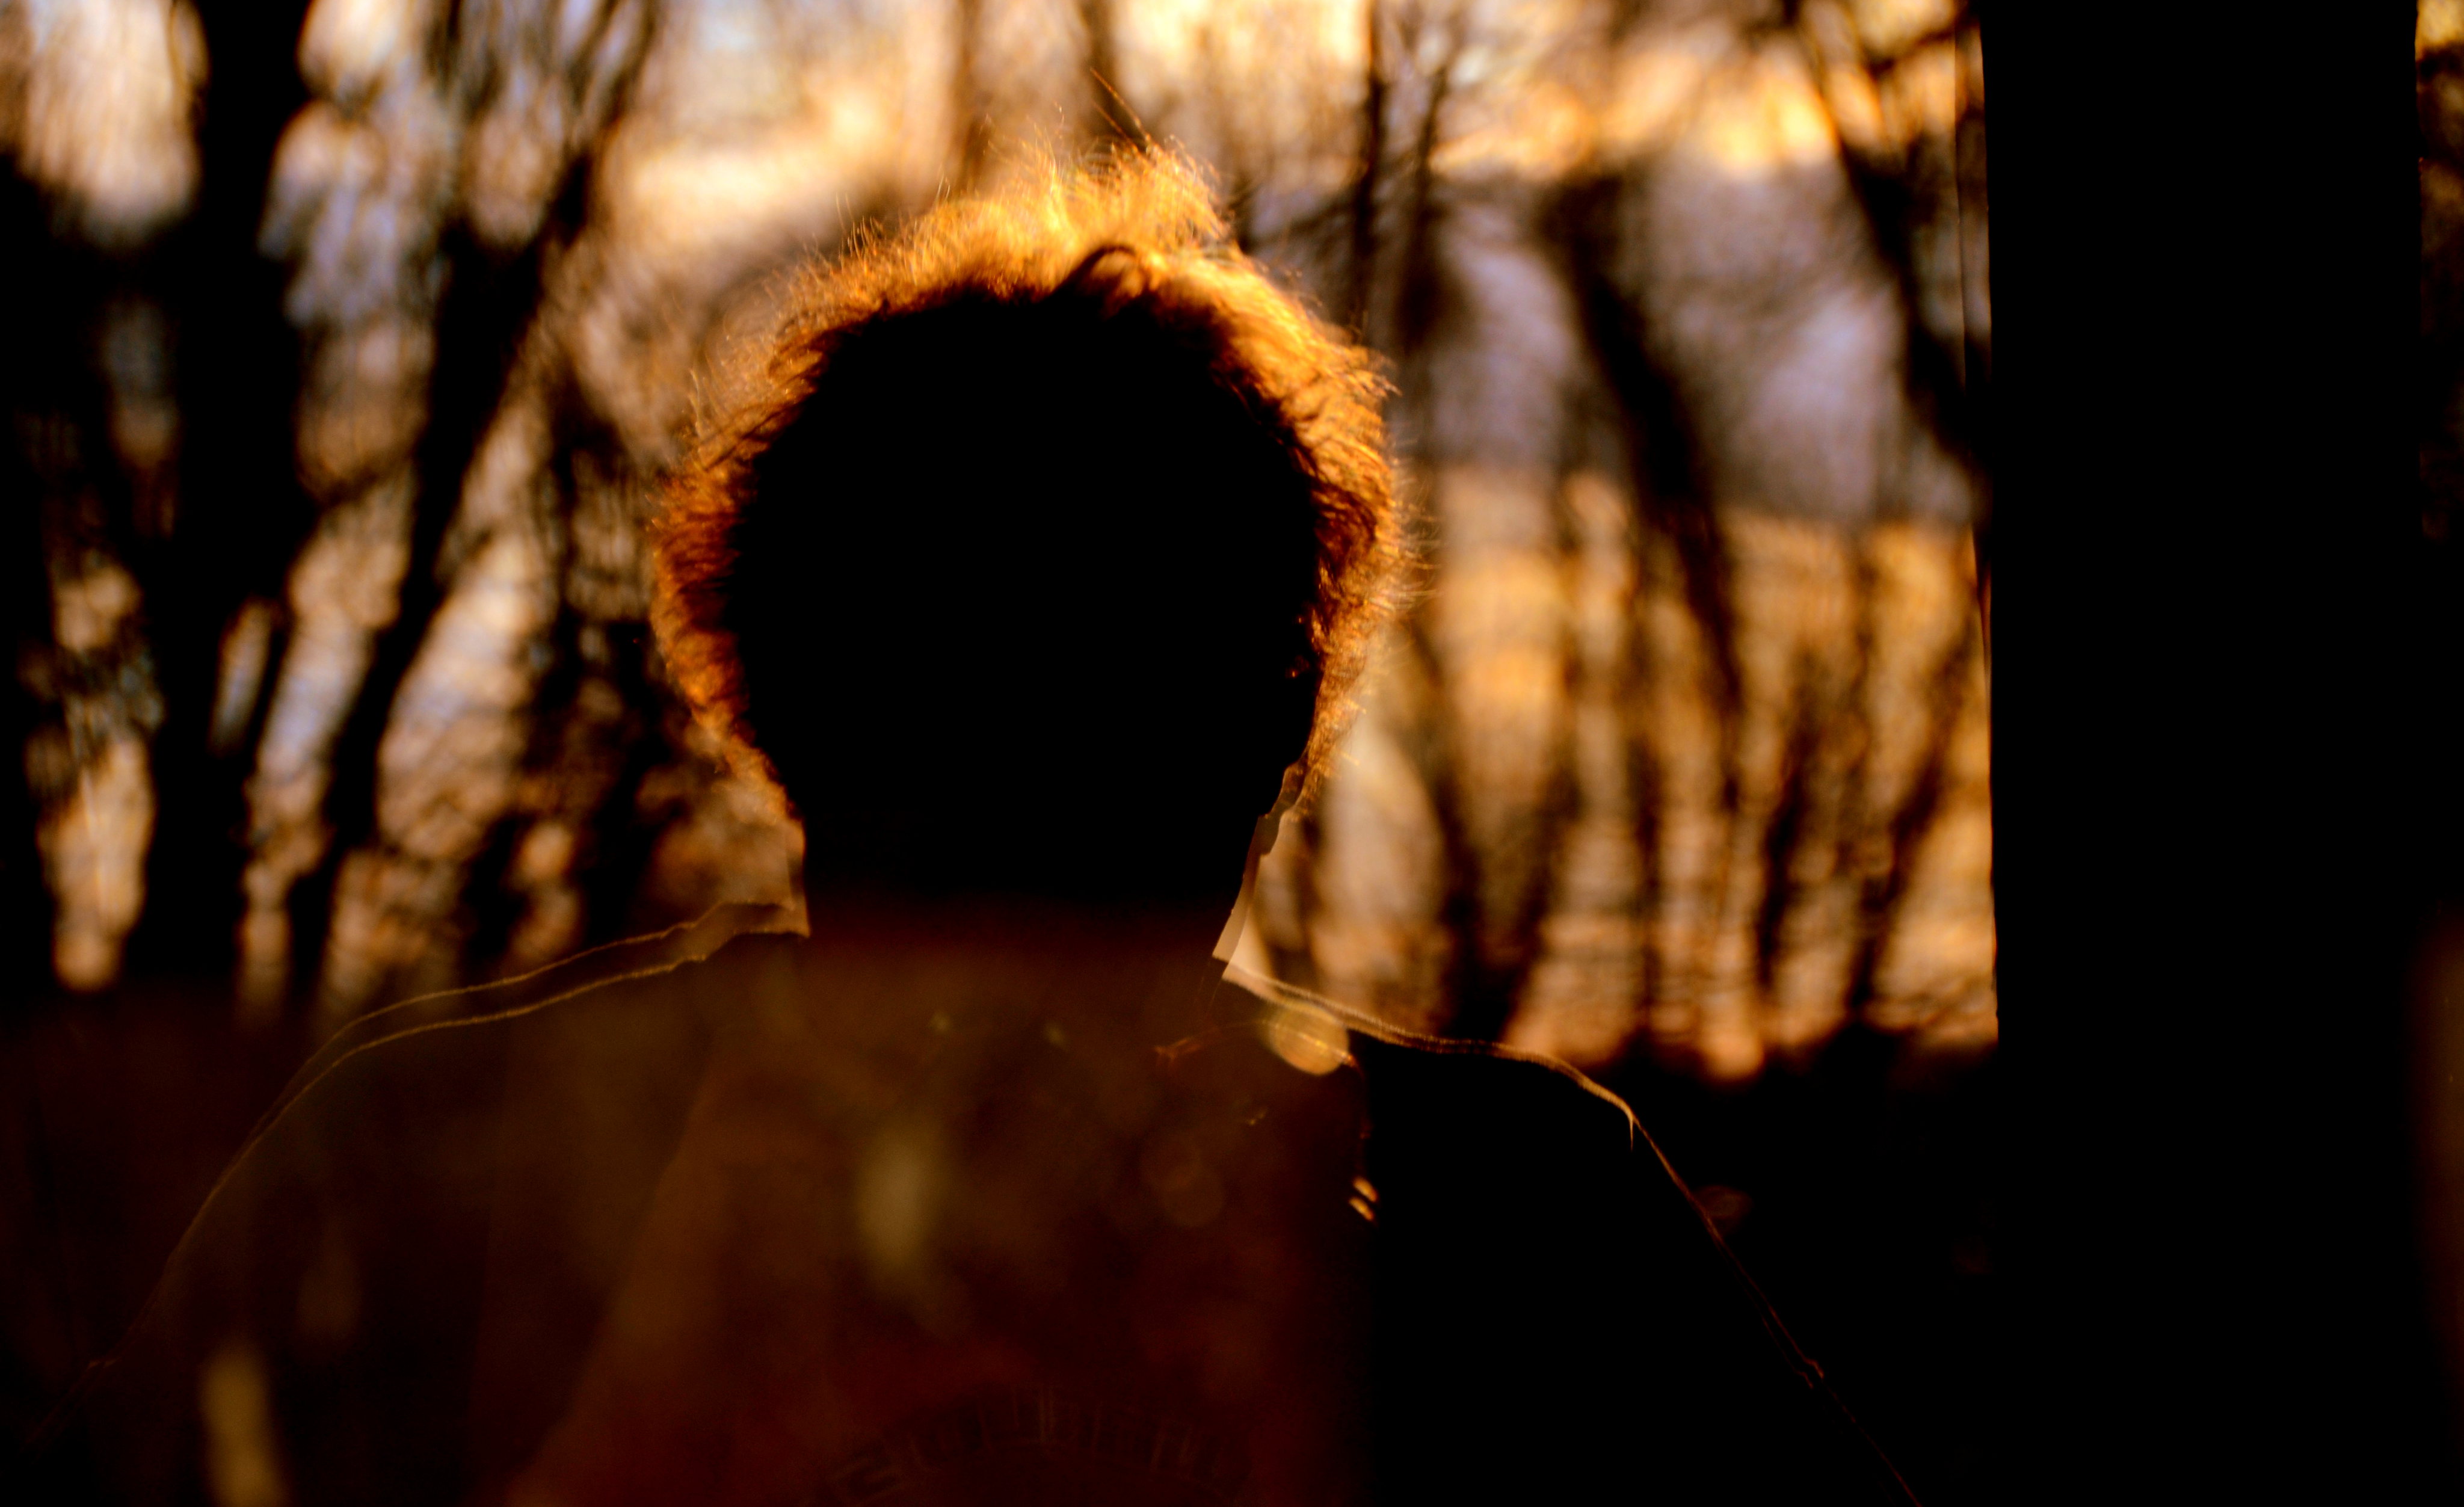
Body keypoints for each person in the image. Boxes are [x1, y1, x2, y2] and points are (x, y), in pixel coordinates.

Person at [26, 151, 1914, 1506]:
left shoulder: (1525, 1222)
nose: (1044, 802)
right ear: (793, 707)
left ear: (1268, 742)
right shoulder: (439, 1175)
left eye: (1136, 695)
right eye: (960, 684)